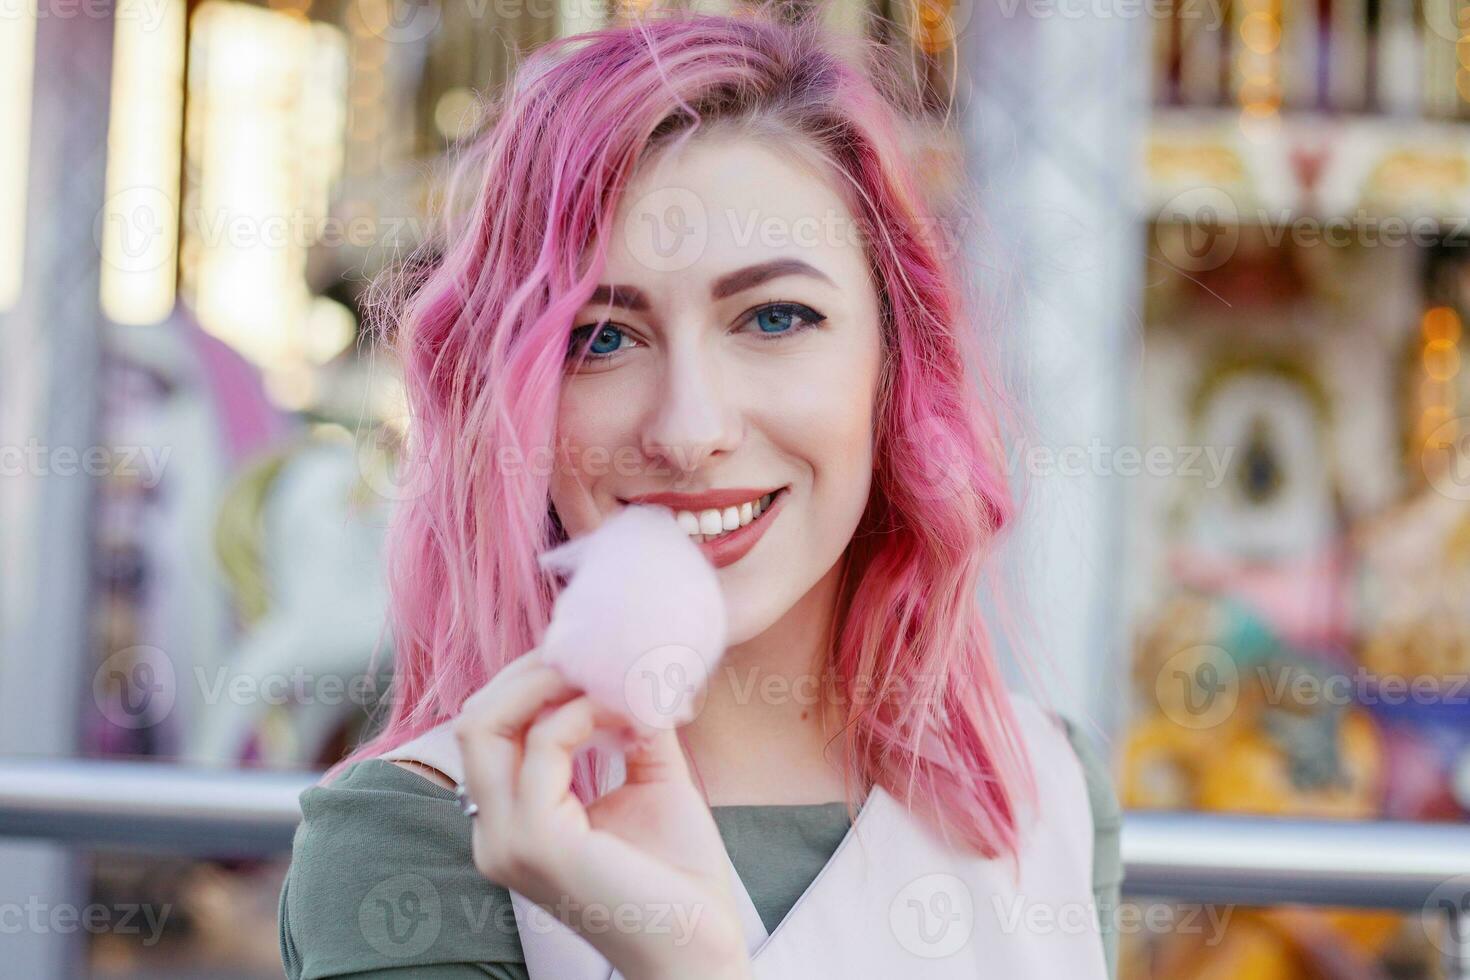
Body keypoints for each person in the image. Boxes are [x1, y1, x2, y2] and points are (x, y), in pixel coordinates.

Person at [279, 7, 1123, 978]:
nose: (688, 428)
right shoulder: (416, 838)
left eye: (774, 316)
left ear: (896, 364)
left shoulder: (1045, 785)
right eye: (601, 336)